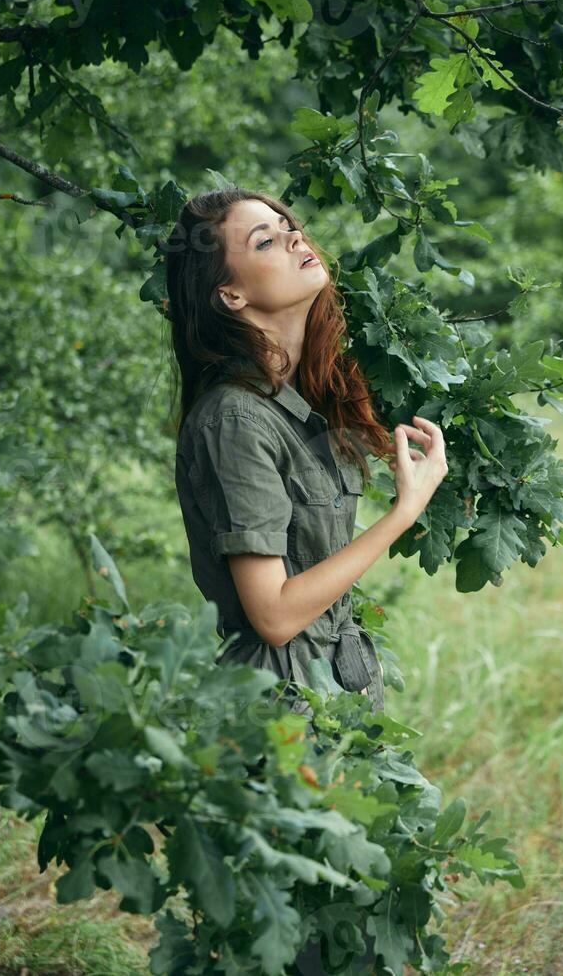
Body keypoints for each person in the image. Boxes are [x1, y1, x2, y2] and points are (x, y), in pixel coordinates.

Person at [164, 187, 448, 720]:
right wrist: (403, 514)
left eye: (286, 225)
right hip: (278, 714)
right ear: (230, 295)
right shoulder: (234, 419)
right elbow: (273, 615)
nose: (295, 236)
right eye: (265, 240)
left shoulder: (303, 401)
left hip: (335, 697)